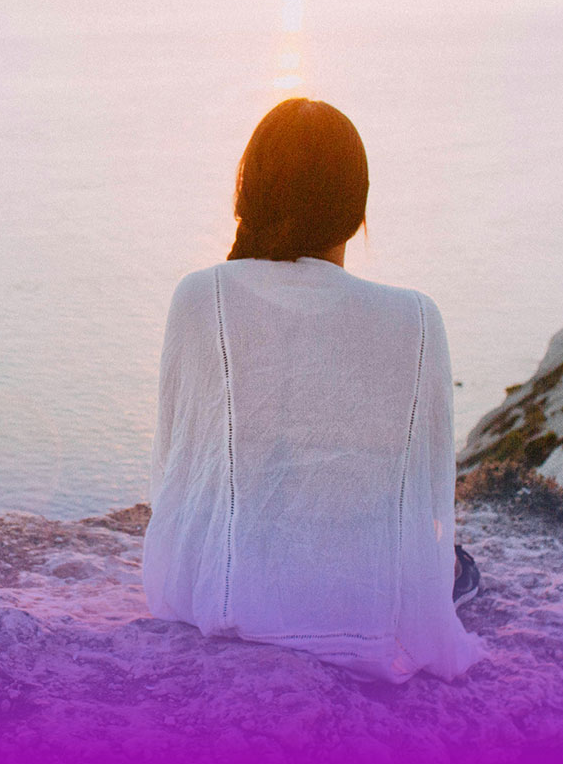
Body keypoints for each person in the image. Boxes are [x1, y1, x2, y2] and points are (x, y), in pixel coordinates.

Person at [142, 98, 485, 683]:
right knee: (456, 568)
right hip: (366, 607)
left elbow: (176, 474)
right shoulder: (417, 319)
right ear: (356, 208)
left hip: (223, 595)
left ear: (247, 194)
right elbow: (428, 493)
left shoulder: (200, 298)